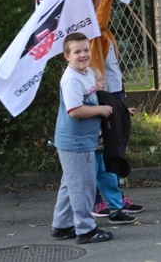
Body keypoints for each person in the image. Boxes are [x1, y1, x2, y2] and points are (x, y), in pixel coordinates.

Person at [87, 0, 144, 218]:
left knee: (114, 147)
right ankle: (102, 200)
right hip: (104, 94)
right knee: (105, 149)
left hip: (114, 93)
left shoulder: (104, 30)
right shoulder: (93, 29)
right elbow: (98, 21)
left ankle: (115, 198)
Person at [51, 32, 114, 245]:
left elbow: (95, 97)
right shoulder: (71, 79)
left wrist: (119, 110)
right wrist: (100, 110)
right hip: (75, 142)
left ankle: (61, 226)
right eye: (77, 51)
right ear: (67, 56)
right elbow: (75, 111)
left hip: (81, 140)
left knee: (71, 185)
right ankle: (86, 230)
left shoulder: (86, 73)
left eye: (86, 50)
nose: (83, 54)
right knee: (84, 187)